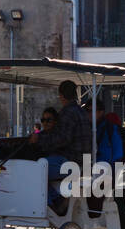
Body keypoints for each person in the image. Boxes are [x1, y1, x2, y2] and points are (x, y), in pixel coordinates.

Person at [30, 80, 93, 210]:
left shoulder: (68, 112)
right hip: (83, 161)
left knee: (35, 170)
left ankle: (56, 201)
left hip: (70, 162)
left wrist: (39, 141)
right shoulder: (81, 112)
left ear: (62, 96)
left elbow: (63, 139)